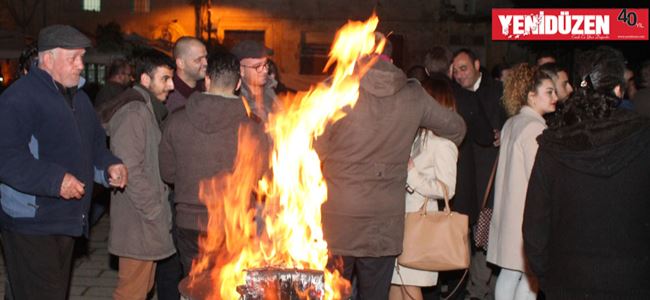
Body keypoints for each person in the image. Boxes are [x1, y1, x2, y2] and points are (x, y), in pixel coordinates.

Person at [314, 36, 466, 300]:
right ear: (393, 61)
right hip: (383, 224)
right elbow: (457, 128)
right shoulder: (413, 95)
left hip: (338, 218)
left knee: (331, 294)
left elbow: (314, 148)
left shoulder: (335, 92)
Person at [0, 24, 127, 300]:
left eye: (82, 57)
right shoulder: (18, 98)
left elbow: (94, 148)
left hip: (66, 217)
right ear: (47, 60)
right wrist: (56, 180)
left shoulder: (80, 100)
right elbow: (7, 158)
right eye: (74, 58)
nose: (81, 65)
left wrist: (109, 167)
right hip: (31, 222)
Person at [523, 46, 650, 299]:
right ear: (617, 89)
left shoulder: (552, 146)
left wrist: (548, 278)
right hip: (632, 281)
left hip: (568, 282)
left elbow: (534, 228)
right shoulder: (644, 138)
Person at [159, 52, 268, 276]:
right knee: (227, 287)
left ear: (207, 80)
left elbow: (167, 173)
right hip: (233, 222)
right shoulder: (254, 128)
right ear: (238, 83)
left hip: (189, 222)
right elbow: (262, 176)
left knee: (193, 284)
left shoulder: (176, 120)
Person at [104, 49, 176, 300]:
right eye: (165, 78)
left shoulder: (147, 109)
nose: (171, 85)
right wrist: (154, 208)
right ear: (145, 80)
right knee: (130, 292)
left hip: (144, 222)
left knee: (141, 289)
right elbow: (130, 169)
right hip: (138, 222)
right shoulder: (134, 113)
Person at [487, 63, 558, 300]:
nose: (555, 97)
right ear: (531, 95)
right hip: (527, 216)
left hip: (509, 213)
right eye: (549, 92)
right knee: (531, 277)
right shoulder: (535, 128)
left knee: (509, 275)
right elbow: (538, 177)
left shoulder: (513, 122)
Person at [389, 75, 459, 300]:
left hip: (421, 225)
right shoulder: (419, 137)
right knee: (396, 284)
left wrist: (413, 174)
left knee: (410, 286)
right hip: (402, 222)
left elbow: (447, 189)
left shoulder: (444, 144)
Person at [452, 48, 506, 300]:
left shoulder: (497, 91)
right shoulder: (454, 94)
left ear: (476, 64)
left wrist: (503, 134)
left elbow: (508, 124)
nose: (459, 74)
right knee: (466, 237)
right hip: (464, 178)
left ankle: (481, 291)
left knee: (485, 238)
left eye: (463, 68)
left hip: (489, 180)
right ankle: (469, 288)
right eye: (455, 70)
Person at [231, 40, 278, 121]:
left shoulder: (272, 90)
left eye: (266, 64)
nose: (265, 70)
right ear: (241, 70)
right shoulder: (236, 101)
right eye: (257, 66)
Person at [166, 36, 208, 112]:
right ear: (180, 63)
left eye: (205, 57)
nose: (205, 63)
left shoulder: (207, 89)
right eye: (198, 60)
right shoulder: (167, 96)